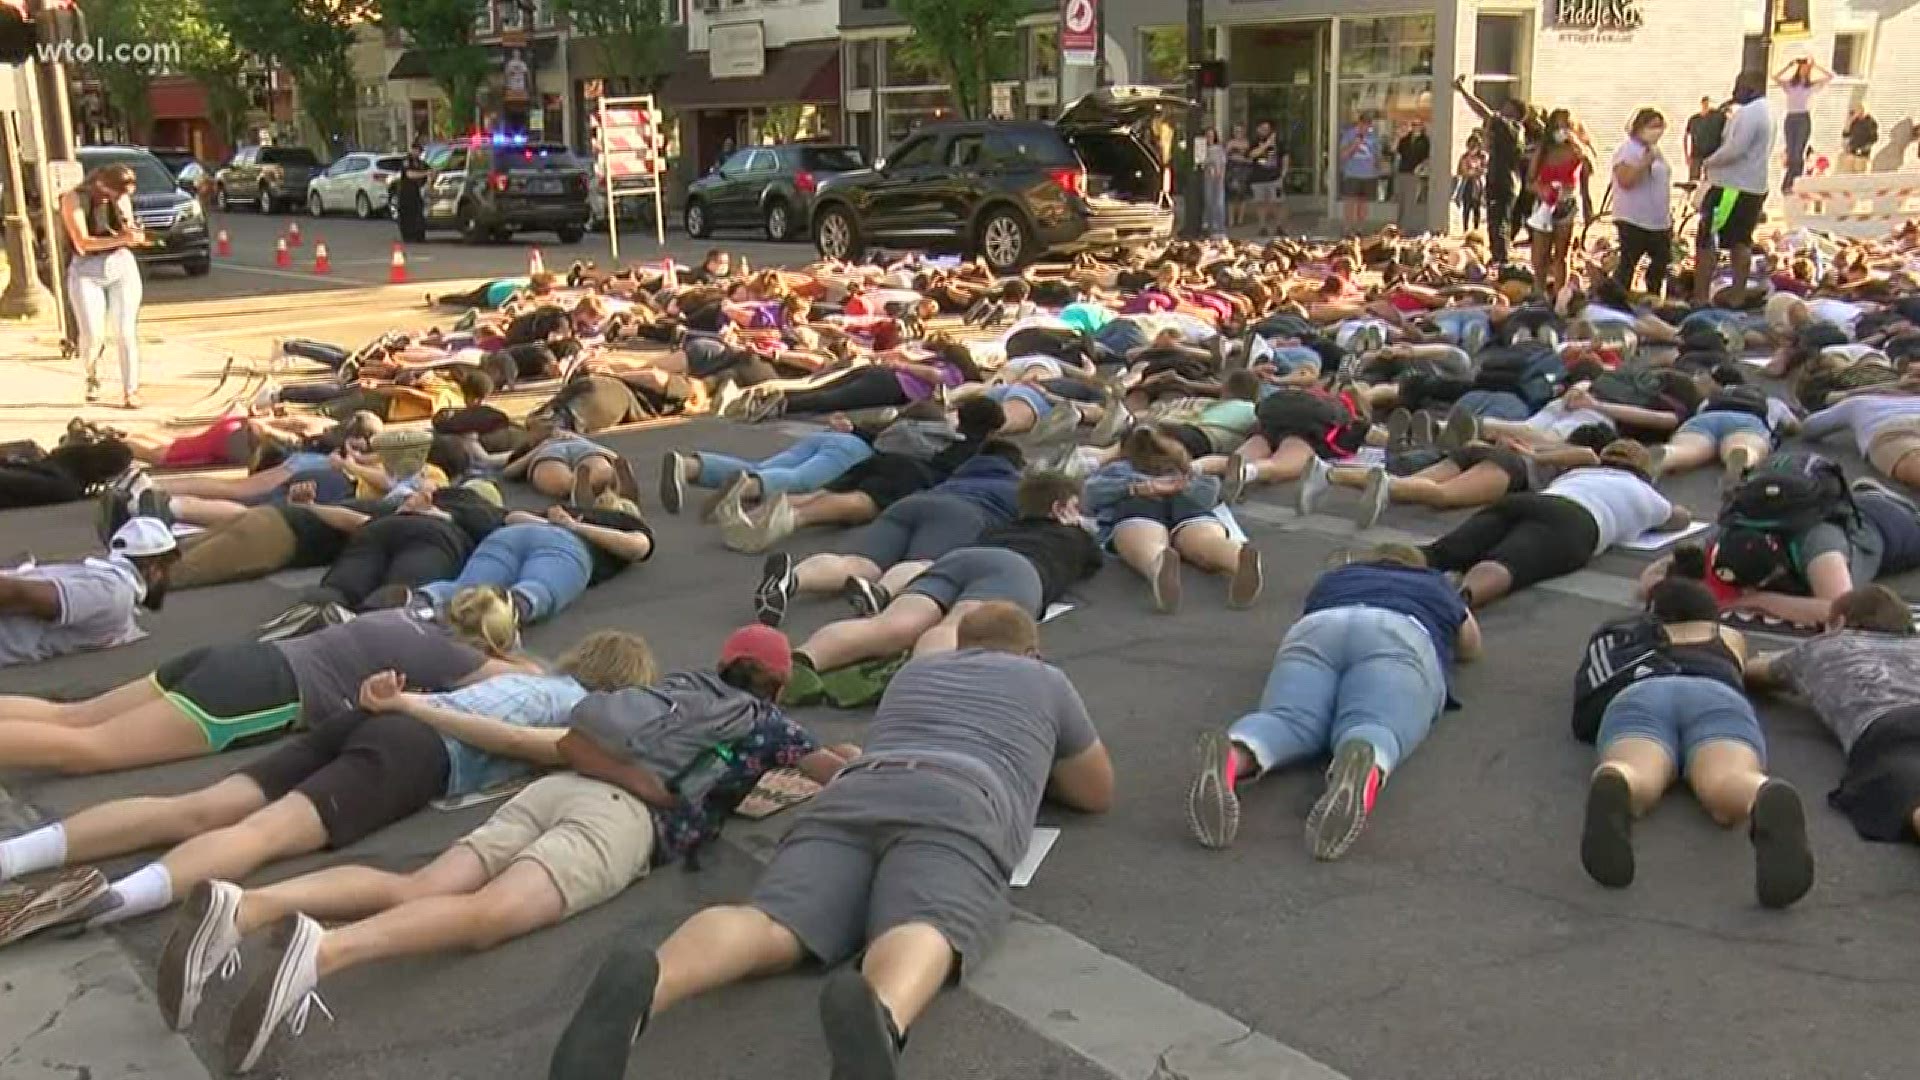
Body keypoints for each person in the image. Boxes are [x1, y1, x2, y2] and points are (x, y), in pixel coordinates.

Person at [180, 626, 854, 1074]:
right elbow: (832, 772)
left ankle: (249, 907)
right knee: (488, 917)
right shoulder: (770, 725)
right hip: (621, 825)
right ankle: (325, 951)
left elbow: (575, 740)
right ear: (777, 680)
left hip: (559, 785)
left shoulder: (675, 686)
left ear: (722, 662)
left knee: (423, 885)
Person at [547, 603, 1113, 1080]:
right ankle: (881, 1018)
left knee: (772, 920)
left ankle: (652, 985)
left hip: (857, 787)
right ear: (1032, 651)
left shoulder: (916, 675)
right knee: (927, 919)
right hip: (958, 796)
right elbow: (1094, 790)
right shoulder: (1045, 681)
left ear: (962, 645)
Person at [0, 622, 655, 950]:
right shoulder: (584, 712)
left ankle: (17, 856)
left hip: (357, 715)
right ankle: (110, 900)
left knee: (202, 806)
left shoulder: (526, 680)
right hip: (415, 748)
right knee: (259, 836)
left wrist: (399, 702)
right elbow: (525, 745)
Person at [0, 590, 530, 776]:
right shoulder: (448, 654)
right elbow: (533, 680)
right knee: (86, 749)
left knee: (74, 717)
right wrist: (512, 655)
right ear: (490, 642)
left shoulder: (406, 615)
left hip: (238, 658)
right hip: (261, 692)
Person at [1186, 544, 1480, 858]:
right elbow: (1470, 645)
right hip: (1398, 631)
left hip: (1319, 628)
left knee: (1288, 718)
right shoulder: (1433, 583)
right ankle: (1359, 768)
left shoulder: (1337, 578)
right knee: (1376, 722)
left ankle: (1234, 756)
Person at [1576, 574, 1813, 908]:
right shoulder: (1727, 636)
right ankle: (1758, 793)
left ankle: (1619, 779)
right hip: (1715, 694)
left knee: (1639, 769)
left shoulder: (1628, 637)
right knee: (1724, 780)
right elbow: (1753, 672)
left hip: (1642, 693)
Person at [784, 471, 1101, 678]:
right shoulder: (1079, 539)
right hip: (1016, 569)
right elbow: (1094, 558)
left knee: (890, 626)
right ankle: (923, 687)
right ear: (1062, 509)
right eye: (1077, 508)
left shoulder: (1005, 526)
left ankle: (797, 665)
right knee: (957, 626)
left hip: (958, 559)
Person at [1745, 585, 1920, 844]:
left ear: (1838, 623)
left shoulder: (1822, 648)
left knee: (1909, 793)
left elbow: (1754, 672)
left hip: (1889, 725)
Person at [1424, 440, 1688, 609]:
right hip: (1578, 520)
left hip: (1532, 501)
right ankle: (1458, 603)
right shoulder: (1647, 494)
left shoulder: (1579, 472)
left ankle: (1392, 567)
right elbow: (1679, 519)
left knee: (1443, 551)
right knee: (1506, 563)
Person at [418, 499, 654, 624]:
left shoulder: (560, 511)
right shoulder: (623, 520)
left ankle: (412, 607)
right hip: (567, 547)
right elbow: (637, 546)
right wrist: (572, 527)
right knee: (536, 591)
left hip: (512, 536)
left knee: (462, 588)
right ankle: (487, 625)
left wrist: (557, 523)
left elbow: (512, 517)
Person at [0, 516, 176, 668]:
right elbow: (18, 593)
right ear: (154, 568)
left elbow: (19, 594)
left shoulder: (111, 593)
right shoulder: (111, 590)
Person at [60, 163, 146, 407]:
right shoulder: (74, 198)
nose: (120, 199)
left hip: (120, 264)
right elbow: (82, 243)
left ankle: (131, 390)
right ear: (102, 185)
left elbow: (129, 229)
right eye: (117, 194)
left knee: (125, 330)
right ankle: (92, 375)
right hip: (86, 269)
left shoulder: (120, 199)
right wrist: (122, 238)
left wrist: (134, 235)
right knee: (92, 333)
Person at [1695, 71, 1774, 307]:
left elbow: (1735, 149)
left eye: (1739, 85)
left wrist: (1708, 162)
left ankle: (1700, 297)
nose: (1734, 91)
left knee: (1708, 239)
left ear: (1751, 86)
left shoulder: (1749, 113)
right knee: (1741, 240)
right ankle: (1738, 294)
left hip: (1731, 188)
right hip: (1753, 186)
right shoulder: (1768, 111)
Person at [1454, 78, 1527, 264]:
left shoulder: (1510, 127)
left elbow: (1484, 113)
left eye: (1507, 107)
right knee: (1499, 223)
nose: (1501, 109)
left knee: (1498, 224)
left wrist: (1463, 91)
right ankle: (1500, 258)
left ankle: (1501, 261)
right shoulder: (1514, 131)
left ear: (1515, 113)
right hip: (1506, 181)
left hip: (1503, 182)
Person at [1611, 108, 1674, 299]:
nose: (1657, 131)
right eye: (1652, 126)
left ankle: (1653, 298)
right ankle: (1618, 300)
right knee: (1628, 263)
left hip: (1658, 221)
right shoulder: (1628, 150)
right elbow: (1626, 180)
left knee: (1661, 262)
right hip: (1633, 219)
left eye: (1660, 126)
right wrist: (1644, 163)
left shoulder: (1656, 151)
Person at [1526, 108, 1590, 295]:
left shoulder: (1577, 150)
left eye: (1566, 126)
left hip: (1567, 204)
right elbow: (1529, 181)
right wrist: (1540, 189)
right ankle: (1539, 292)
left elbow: (1588, 173)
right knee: (1540, 255)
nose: (1561, 130)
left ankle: (1560, 295)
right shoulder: (1544, 150)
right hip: (1545, 205)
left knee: (1562, 255)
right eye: (1557, 126)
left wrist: (1577, 145)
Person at [1774, 57, 1832, 193]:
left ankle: (1793, 183)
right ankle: (1788, 183)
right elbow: (1775, 78)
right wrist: (1789, 66)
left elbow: (1830, 76)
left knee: (1798, 152)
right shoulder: (1790, 85)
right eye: (1802, 69)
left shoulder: (1810, 86)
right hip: (1791, 117)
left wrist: (1816, 65)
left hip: (1803, 117)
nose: (1804, 71)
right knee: (1791, 151)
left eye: (1807, 70)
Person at [1339, 112, 1382, 233]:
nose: (1367, 127)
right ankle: (1347, 228)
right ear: (1360, 123)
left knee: (1363, 203)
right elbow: (1342, 155)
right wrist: (1355, 144)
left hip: (1369, 174)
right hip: (1352, 173)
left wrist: (1378, 167)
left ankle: (1360, 229)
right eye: (1365, 124)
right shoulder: (1349, 134)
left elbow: (1377, 155)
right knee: (1350, 201)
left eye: (1369, 124)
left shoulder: (1373, 136)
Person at [1394, 117, 1431, 233]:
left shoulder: (1425, 141)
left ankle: (1407, 227)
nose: (1415, 127)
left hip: (1415, 174)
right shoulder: (1405, 139)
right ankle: (1398, 227)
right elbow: (1394, 150)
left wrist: (1421, 167)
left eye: (1417, 125)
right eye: (1413, 125)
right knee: (1401, 200)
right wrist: (1398, 137)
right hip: (1402, 172)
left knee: (1411, 201)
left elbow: (1427, 157)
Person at [394, 141, 431, 243]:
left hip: (416, 192)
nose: (418, 153)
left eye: (420, 151)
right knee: (407, 215)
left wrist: (432, 174)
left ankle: (419, 235)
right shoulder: (406, 161)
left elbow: (430, 170)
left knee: (418, 214)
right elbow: (410, 174)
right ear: (412, 150)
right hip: (405, 192)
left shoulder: (420, 162)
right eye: (417, 150)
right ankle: (408, 236)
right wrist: (425, 173)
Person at [1455, 132, 1487, 234]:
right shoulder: (1464, 157)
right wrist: (1471, 172)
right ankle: (1465, 229)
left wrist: (1475, 171)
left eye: (1475, 145)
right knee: (1466, 207)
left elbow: (1484, 169)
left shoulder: (1482, 156)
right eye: (1470, 145)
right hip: (1467, 183)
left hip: (1478, 184)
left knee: (1476, 207)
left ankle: (1476, 229)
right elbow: (1461, 171)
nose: (1472, 147)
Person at [1841, 102, 1880, 174]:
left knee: (1860, 168)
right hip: (1853, 150)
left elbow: (1874, 137)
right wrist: (1849, 121)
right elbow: (1845, 134)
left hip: (1863, 151)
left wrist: (1866, 147)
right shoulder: (1854, 122)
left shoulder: (1870, 122)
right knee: (1848, 167)